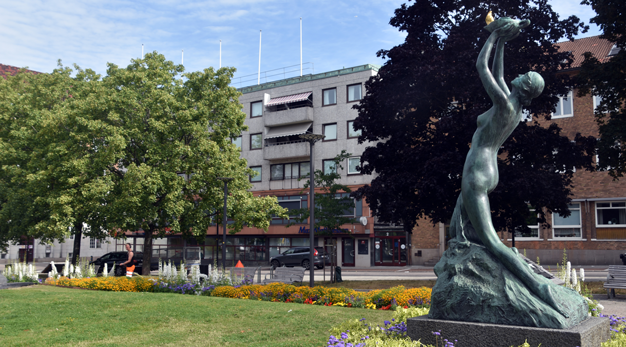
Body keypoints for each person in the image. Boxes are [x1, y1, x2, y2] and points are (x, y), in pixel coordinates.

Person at [448, 18, 569, 318]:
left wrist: (494, 36)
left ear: (525, 86)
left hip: (477, 174)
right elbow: (499, 73)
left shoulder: (504, 104)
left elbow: (482, 67)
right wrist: (503, 39)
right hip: (487, 172)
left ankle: (539, 288)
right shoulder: (513, 105)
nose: (519, 74)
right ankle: (461, 278)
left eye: (525, 74)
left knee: (491, 241)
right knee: (457, 230)